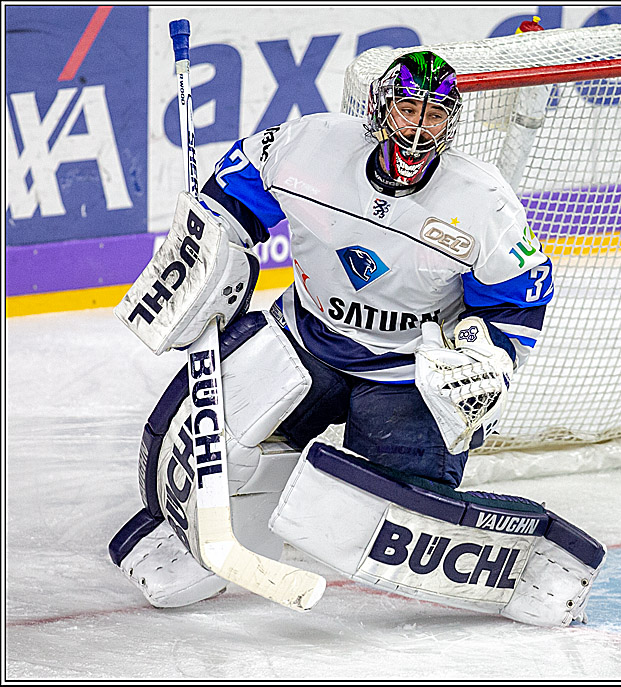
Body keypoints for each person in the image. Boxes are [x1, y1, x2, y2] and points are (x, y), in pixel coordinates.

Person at [107, 51, 558, 610]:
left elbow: (520, 298)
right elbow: (234, 193)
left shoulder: (483, 203)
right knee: (202, 439)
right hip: (304, 340)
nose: (419, 127)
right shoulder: (310, 147)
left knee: (396, 511)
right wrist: (208, 246)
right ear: (379, 109)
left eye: (435, 114)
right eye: (408, 107)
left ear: (452, 122)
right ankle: (205, 527)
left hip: (405, 375)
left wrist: (486, 353)